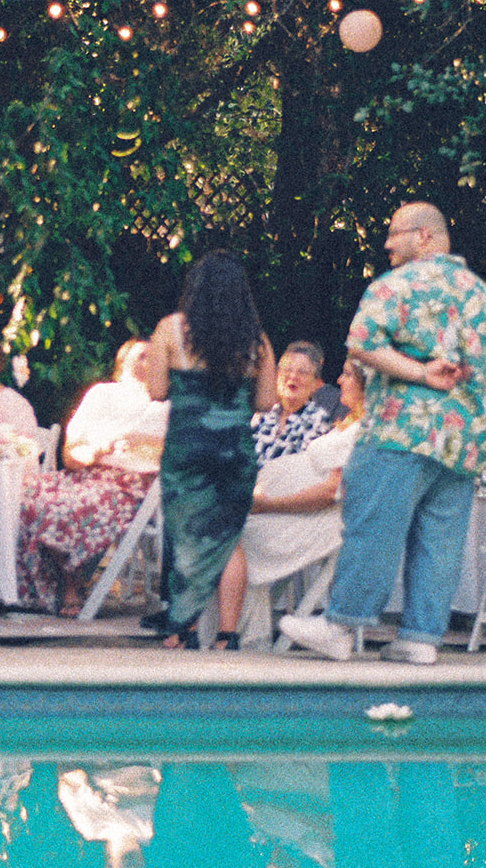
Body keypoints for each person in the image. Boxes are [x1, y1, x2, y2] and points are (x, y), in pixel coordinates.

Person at [279, 201, 486, 664]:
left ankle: (340, 625)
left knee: (374, 525)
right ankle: (421, 639)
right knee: (441, 538)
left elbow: (362, 343)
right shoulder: (485, 297)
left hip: (403, 430)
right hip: (465, 441)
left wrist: (421, 375)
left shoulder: (398, 285)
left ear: (423, 236)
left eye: (394, 233)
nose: (386, 244)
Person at [144, 250, 277, 649]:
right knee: (228, 539)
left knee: (188, 536)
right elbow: (267, 401)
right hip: (234, 451)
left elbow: (156, 390)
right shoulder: (257, 342)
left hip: (188, 451)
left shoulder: (170, 330)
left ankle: (181, 631)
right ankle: (227, 636)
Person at [212, 362, 368, 648]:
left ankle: (230, 635)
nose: (338, 379)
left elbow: (330, 492)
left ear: (365, 384)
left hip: (316, 519)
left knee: (227, 533)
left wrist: (267, 504)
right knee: (216, 524)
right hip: (284, 509)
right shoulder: (346, 424)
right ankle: (224, 633)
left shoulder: (361, 431)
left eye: (346, 375)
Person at [15, 339, 169, 615]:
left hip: (131, 482)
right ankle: (46, 586)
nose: (149, 361)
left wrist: (134, 440)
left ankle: (71, 585)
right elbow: (71, 447)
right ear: (123, 362)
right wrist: (91, 453)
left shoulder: (163, 404)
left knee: (72, 506)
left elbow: (167, 449)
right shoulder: (101, 394)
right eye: (142, 355)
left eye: (154, 357)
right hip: (86, 472)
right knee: (26, 495)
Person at [251, 341, 336, 463]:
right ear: (277, 375)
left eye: (302, 372)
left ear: (315, 383)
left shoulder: (320, 421)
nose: (293, 376)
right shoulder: (262, 416)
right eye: (287, 369)